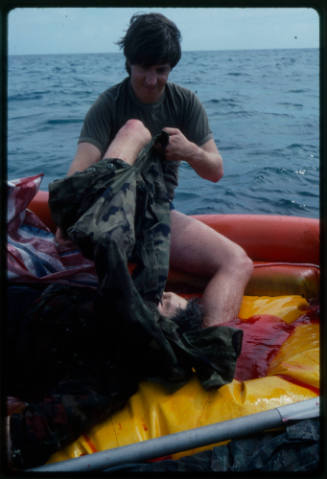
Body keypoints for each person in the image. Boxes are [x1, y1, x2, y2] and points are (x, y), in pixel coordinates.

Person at [58, 13, 253, 327]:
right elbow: (81, 167)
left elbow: (215, 171)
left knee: (238, 262)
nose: (151, 80)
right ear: (129, 63)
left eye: (160, 70)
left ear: (171, 68)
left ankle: (210, 346)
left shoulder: (186, 103)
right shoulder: (108, 104)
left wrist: (189, 151)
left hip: (157, 217)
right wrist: (65, 218)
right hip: (108, 218)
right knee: (133, 130)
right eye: (144, 69)